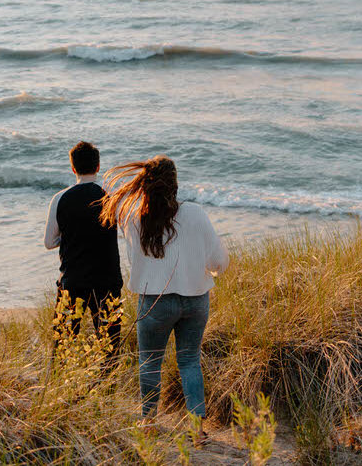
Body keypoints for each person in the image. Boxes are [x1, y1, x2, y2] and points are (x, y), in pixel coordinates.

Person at [100, 155, 229, 432]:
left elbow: (135, 262)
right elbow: (219, 262)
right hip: (195, 300)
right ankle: (197, 430)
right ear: (175, 184)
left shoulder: (133, 219)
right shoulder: (195, 213)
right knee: (189, 361)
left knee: (150, 362)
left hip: (154, 302)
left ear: (144, 185)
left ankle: (148, 423)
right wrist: (202, 269)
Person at [43, 141, 123, 356]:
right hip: (107, 282)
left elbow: (49, 242)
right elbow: (125, 230)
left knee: (64, 343)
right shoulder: (111, 196)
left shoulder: (59, 198)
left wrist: (71, 237)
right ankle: (109, 384)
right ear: (98, 167)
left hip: (73, 281)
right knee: (110, 344)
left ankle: (64, 385)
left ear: (73, 168)